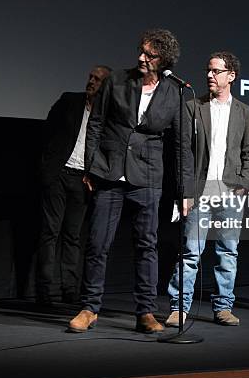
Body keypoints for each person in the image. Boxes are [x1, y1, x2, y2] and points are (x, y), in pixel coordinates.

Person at [68, 29, 194, 334]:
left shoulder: (175, 92)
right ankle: (89, 308)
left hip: (148, 177)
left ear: (163, 59)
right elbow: (96, 122)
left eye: (149, 54)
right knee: (98, 243)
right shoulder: (117, 80)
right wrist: (90, 166)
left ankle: (145, 312)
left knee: (146, 245)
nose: (141, 57)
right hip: (110, 172)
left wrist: (185, 191)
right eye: (141, 51)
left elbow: (181, 145)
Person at [166, 51, 249, 327]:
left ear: (231, 76)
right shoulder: (193, 107)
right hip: (200, 193)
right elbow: (182, 152)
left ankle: (223, 307)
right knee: (191, 252)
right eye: (208, 70)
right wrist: (186, 192)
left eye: (216, 71)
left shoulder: (244, 111)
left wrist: (244, 183)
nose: (209, 75)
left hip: (230, 193)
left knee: (228, 252)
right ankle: (179, 308)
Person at [36, 65, 111, 305]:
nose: (91, 82)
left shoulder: (108, 114)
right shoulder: (69, 100)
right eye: (90, 77)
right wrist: (47, 166)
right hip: (58, 175)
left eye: (97, 79)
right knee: (50, 233)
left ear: (106, 86)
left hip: (83, 181)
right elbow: (46, 133)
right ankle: (44, 291)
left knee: (73, 236)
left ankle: (69, 290)